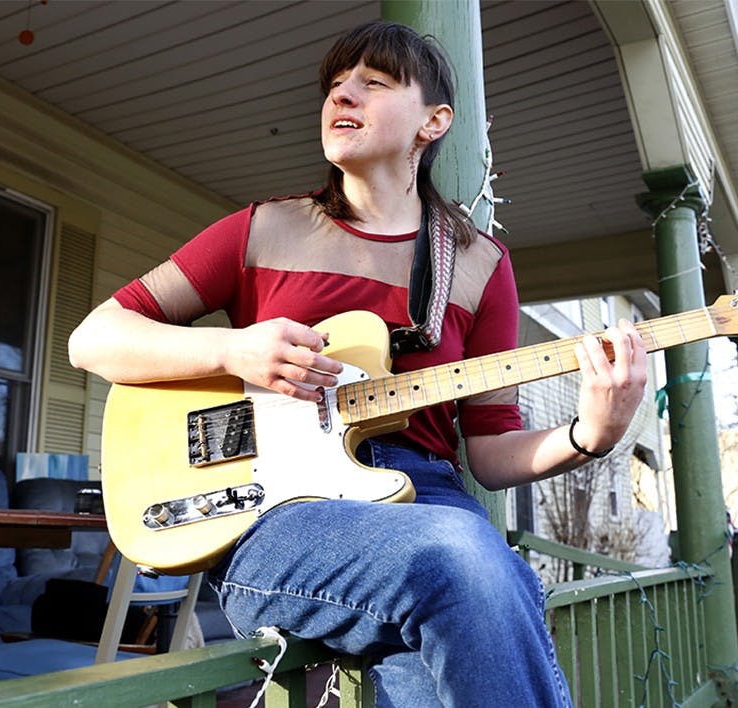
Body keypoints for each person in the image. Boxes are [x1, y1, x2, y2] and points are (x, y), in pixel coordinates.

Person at [69, 20, 647, 707]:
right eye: (335, 85)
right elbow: (94, 338)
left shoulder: (478, 264)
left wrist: (590, 435)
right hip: (279, 515)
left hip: (427, 501)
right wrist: (231, 349)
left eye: (373, 82)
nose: (342, 95)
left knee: (461, 597)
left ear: (434, 122)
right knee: (465, 558)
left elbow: (491, 450)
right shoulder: (262, 230)